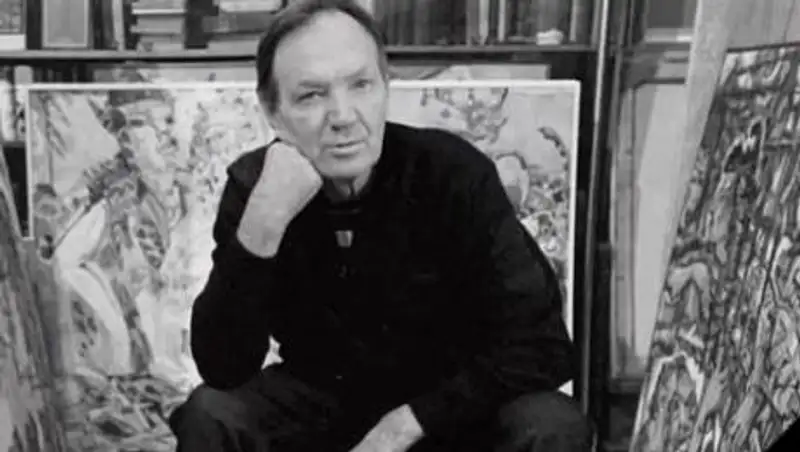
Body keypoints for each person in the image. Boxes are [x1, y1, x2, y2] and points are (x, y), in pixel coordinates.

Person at [168, 0, 593, 450]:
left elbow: (544, 346)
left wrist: (408, 423)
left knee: (550, 423)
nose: (343, 117)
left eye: (361, 85)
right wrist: (263, 224)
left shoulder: (452, 173)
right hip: (320, 409)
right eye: (311, 95)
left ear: (386, 88)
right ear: (273, 113)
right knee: (211, 413)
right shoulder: (255, 186)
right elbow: (223, 369)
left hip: (447, 412)